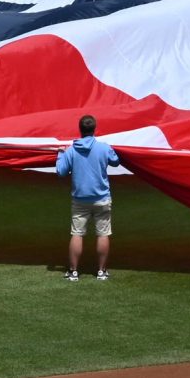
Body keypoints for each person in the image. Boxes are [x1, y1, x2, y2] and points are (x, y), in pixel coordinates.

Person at [56, 114, 123, 281]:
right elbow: (115, 161)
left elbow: (61, 172)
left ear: (80, 130)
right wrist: (110, 151)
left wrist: (60, 155)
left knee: (77, 234)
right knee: (103, 234)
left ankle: (73, 272)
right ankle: (101, 271)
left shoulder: (71, 151)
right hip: (102, 198)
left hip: (80, 200)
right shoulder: (103, 147)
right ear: (94, 129)